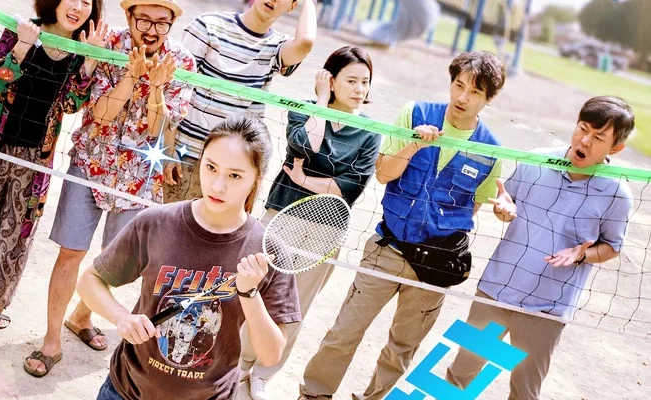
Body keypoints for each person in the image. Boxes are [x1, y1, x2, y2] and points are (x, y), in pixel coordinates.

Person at [297, 51, 507, 400]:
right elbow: (383, 174)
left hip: (434, 267)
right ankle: (314, 394)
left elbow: (471, 210)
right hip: (388, 248)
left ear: (488, 99)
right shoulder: (415, 113)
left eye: (474, 92)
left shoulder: (492, 150)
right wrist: (412, 144)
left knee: (401, 348)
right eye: (458, 85)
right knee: (344, 331)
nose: (462, 97)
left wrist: (501, 210)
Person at [24, 0, 195, 377]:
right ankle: (51, 340)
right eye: (144, 20)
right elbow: (100, 115)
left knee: (116, 261)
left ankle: (81, 316)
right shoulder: (106, 44)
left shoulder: (181, 61)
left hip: (139, 174)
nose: (151, 31)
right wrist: (131, 76)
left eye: (161, 23)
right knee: (71, 252)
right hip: (91, 161)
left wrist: (156, 87)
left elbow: (158, 129)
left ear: (171, 24)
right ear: (129, 17)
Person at [76, 114, 302, 400]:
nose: (217, 186)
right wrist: (122, 317)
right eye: (211, 167)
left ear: (256, 179)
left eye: (234, 175)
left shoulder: (268, 250)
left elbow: (270, 355)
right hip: (125, 390)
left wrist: (249, 293)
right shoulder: (155, 223)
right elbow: (89, 281)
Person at [446, 96, 635, 400]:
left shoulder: (618, 194)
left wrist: (582, 254)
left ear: (615, 148)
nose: (585, 140)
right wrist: (503, 211)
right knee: (459, 376)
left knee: (524, 391)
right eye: (582, 128)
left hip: (546, 310)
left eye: (598, 137)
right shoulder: (537, 160)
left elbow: (612, 247)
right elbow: (506, 206)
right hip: (496, 291)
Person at [0, 0, 106, 328]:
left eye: (87, 2)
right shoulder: (22, 28)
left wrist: (90, 60)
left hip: (37, 157)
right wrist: (21, 46)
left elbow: (71, 104)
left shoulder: (80, 49)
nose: (78, 7)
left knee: (16, 225)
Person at [240, 45, 382, 400]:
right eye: (351, 80)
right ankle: (238, 364)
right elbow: (303, 146)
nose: (359, 89)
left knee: (293, 308)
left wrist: (304, 179)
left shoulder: (370, 132)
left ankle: (264, 373)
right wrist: (320, 102)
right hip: (280, 216)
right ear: (330, 80)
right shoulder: (304, 109)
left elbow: (349, 189)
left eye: (365, 82)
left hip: (325, 232)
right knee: (254, 292)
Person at [163, 0, 317, 203]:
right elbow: (174, 90)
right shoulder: (209, 25)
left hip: (235, 168)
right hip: (186, 156)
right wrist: (168, 149)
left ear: (292, 6)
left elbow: (305, 42)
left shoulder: (277, 46)